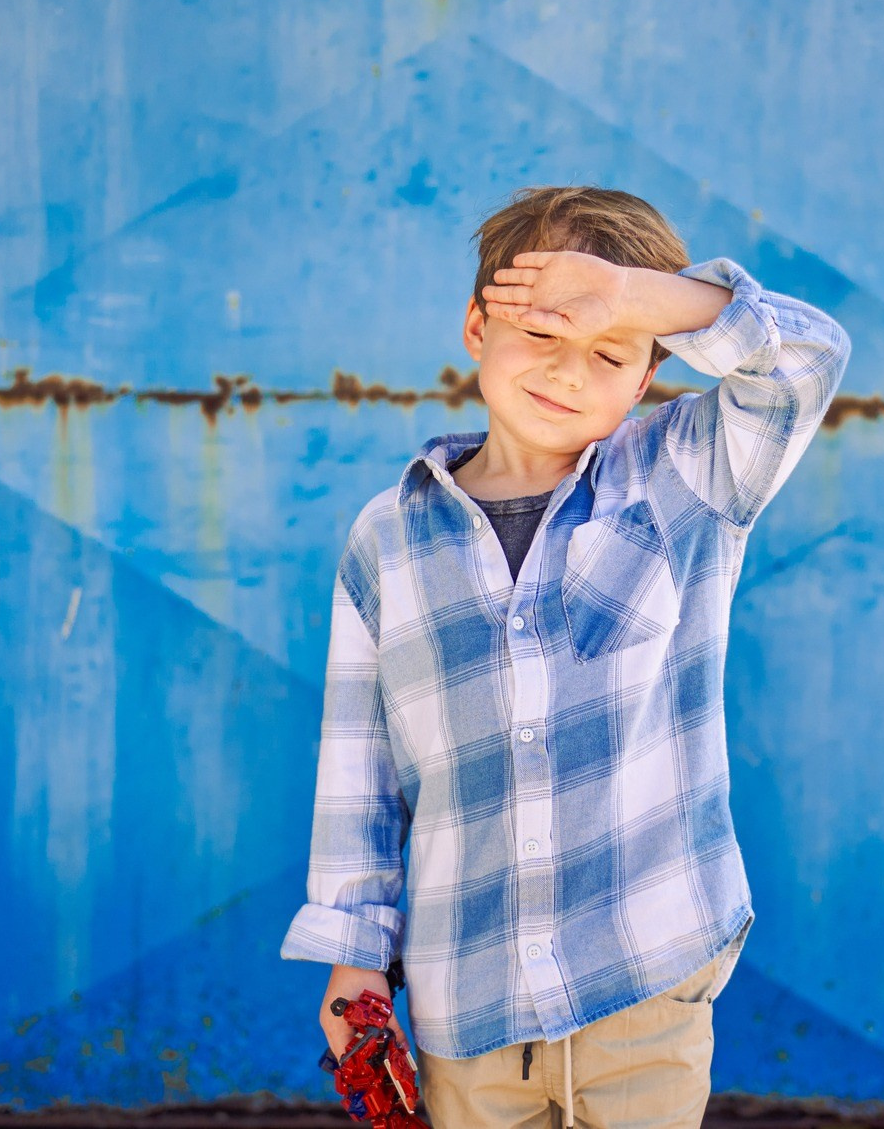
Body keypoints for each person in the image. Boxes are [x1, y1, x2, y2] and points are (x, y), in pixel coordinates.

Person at [281, 186, 852, 1129]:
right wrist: (354, 957)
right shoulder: (386, 538)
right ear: (476, 324)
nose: (570, 370)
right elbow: (362, 772)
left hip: (645, 983)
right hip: (467, 1007)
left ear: (645, 379)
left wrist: (638, 293)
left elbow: (808, 358)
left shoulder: (685, 478)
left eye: (609, 350)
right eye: (543, 330)